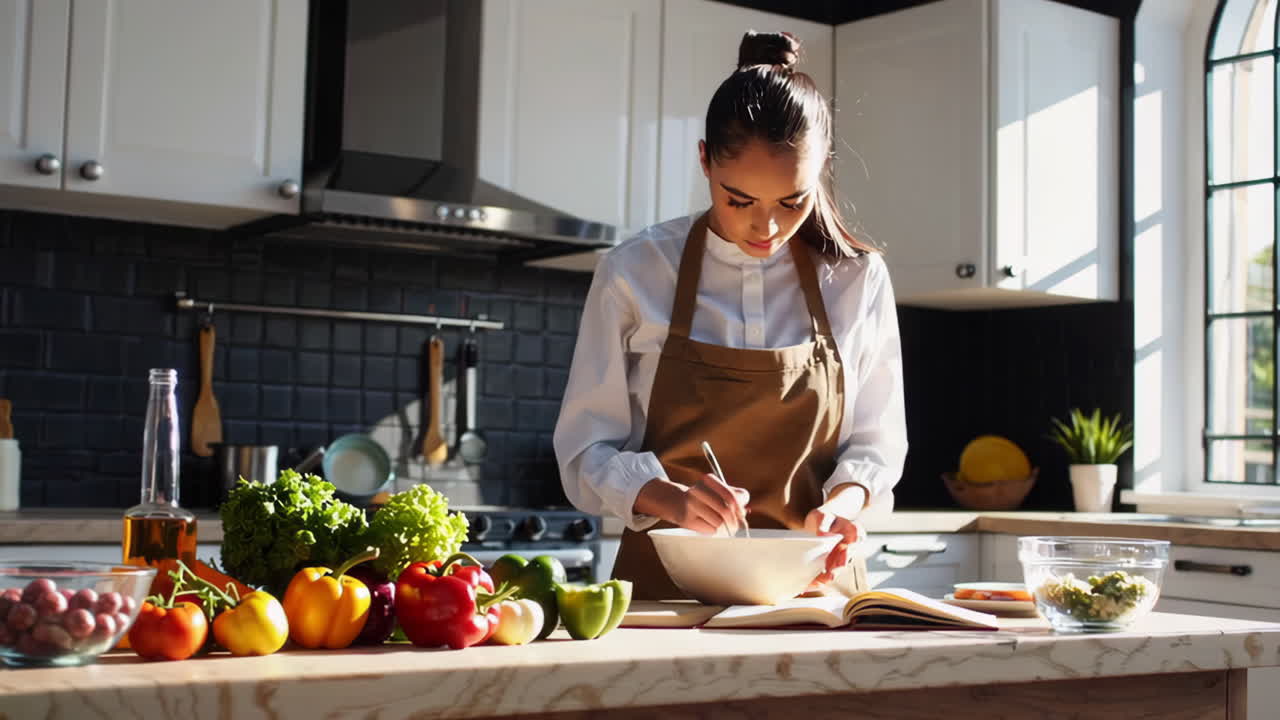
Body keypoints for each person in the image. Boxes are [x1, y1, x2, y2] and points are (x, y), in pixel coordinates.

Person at [553, 30, 907, 600]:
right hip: (665, 596)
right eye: (738, 199)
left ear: (818, 174)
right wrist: (667, 497)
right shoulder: (634, 272)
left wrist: (844, 505)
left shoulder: (856, 278)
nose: (765, 228)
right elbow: (583, 450)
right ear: (703, 161)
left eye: (792, 201)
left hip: (814, 593)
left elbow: (877, 443)